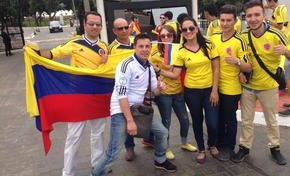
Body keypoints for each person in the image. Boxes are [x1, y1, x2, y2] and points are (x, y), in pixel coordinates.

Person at [91, 33, 177, 176]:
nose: (145, 49)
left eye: (147, 46)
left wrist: (160, 88)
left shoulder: (149, 66)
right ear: (134, 47)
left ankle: (160, 160)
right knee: (114, 152)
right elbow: (121, 96)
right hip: (120, 109)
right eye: (141, 46)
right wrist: (130, 121)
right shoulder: (126, 65)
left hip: (138, 109)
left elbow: (154, 93)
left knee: (162, 132)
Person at [34, 11, 108, 176]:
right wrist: (35, 53)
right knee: (74, 136)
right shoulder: (75, 43)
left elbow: (106, 70)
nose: (95, 27)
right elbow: (54, 54)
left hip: (97, 96)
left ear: (101, 26)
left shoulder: (103, 46)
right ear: (84, 24)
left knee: (98, 133)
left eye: (98, 24)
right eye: (91, 24)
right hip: (79, 96)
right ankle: (68, 173)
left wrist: (104, 62)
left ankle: (97, 168)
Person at [231, 1, 290, 166]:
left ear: (264, 16)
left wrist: (287, 52)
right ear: (245, 18)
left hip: (269, 87)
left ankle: (275, 148)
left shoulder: (277, 34)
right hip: (248, 87)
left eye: (257, 15)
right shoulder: (242, 36)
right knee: (246, 120)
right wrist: (241, 71)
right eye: (249, 16)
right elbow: (241, 59)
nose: (253, 19)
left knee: (272, 120)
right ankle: (244, 148)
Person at [153, 17, 220, 164]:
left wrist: (215, 90)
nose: (188, 31)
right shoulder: (181, 51)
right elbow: (175, 74)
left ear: (196, 28)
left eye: (191, 28)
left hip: (209, 90)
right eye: (184, 29)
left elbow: (216, 68)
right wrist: (158, 70)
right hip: (191, 92)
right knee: (196, 121)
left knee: (213, 122)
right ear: (182, 33)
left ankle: (212, 145)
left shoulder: (208, 45)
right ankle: (202, 149)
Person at [210, 4, 252, 161]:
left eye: (229, 20)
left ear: (235, 21)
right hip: (214, 86)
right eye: (222, 20)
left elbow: (249, 66)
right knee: (217, 117)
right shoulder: (214, 38)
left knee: (229, 118)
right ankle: (219, 144)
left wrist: (237, 62)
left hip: (231, 88)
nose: (225, 23)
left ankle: (229, 147)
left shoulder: (239, 40)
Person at [150, 25, 197, 160]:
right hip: (164, 93)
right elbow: (150, 70)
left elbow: (179, 72)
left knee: (184, 120)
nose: (166, 38)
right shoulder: (154, 51)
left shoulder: (180, 49)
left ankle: (184, 143)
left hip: (178, 91)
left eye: (169, 35)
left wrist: (160, 71)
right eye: (163, 36)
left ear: (174, 36)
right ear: (159, 37)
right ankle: (166, 148)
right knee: (166, 121)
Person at [109, 18, 136, 161]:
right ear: (114, 31)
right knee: (127, 119)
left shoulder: (135, 42)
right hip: (123, 89)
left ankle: (149, 139)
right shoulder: (112, 48)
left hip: (139, 87)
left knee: (144, 115)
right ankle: (129, 147)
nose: (124, 31)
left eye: (126, 27)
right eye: (120, 29)